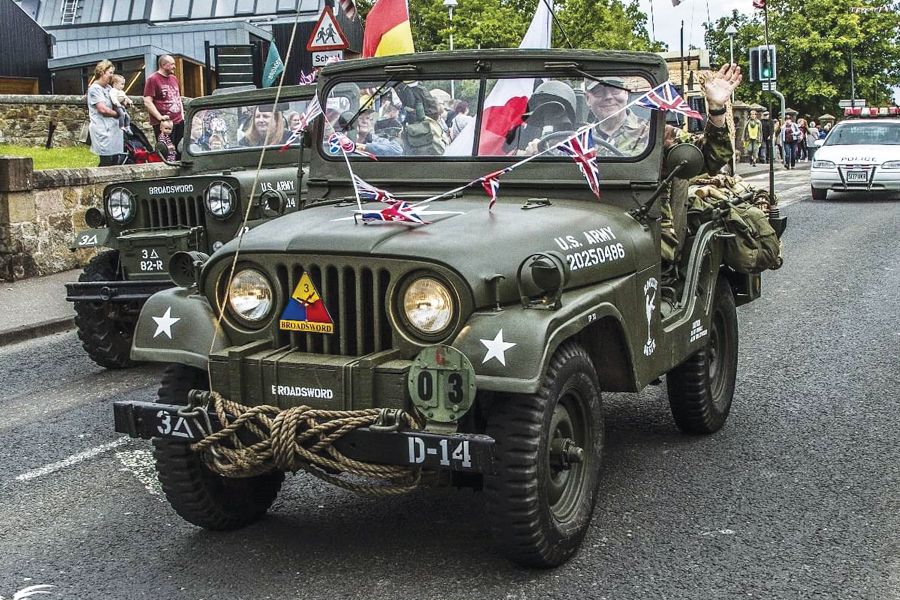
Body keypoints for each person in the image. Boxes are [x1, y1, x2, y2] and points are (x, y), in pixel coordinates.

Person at [585, 77, 650, 156]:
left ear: (626, 93)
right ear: (587, 99)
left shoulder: (649, 132)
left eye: (615, 90)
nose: (608, 97)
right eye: (599, 92)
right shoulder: (581, 138)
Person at [143, 54, 184, 155]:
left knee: (181, 150)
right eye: (172, 64)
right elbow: (147, 101)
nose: (174, 67)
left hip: (179, 121)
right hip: (164, 124)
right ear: (163, 65)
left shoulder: (174, 79)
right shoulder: (153, 79)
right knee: (167, 152)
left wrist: (182, 115)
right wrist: (159, 117)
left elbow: (178, 97)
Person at [87, 59, 124, 166]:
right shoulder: (95, 89)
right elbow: (102, 109)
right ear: (102, 72)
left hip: (114, 130)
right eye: (110, 73)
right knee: (106, 161)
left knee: (115, 161)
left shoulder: (109, 88)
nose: (112, 76)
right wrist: (118, 114)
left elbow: (116, 102)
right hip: (102, 130)